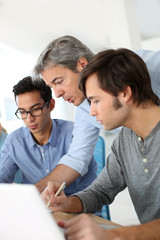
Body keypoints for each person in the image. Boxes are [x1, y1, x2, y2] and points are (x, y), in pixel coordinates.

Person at [41, 48, 160, 239]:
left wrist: (115, 235)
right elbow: (100, 191)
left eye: (95, 101)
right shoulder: (125, 141)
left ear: (124, 93)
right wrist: (66, 202)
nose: (91, 112)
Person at [33, 35, 160, 193]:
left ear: (82, 64)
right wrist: (32, 191)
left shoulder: (139, 64)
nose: (57, 94)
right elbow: (77, 158)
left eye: (59, 82)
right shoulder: (84, 110)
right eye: (52, 86)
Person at [0, 76, 97, 197]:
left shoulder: (77, 134)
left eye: (35, 109)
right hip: (37, 210)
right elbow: (2, 180)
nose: (29, 119)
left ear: (50, 105)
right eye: (22, 112)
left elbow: (91, 189)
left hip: (76, 209)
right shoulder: (14, 141)